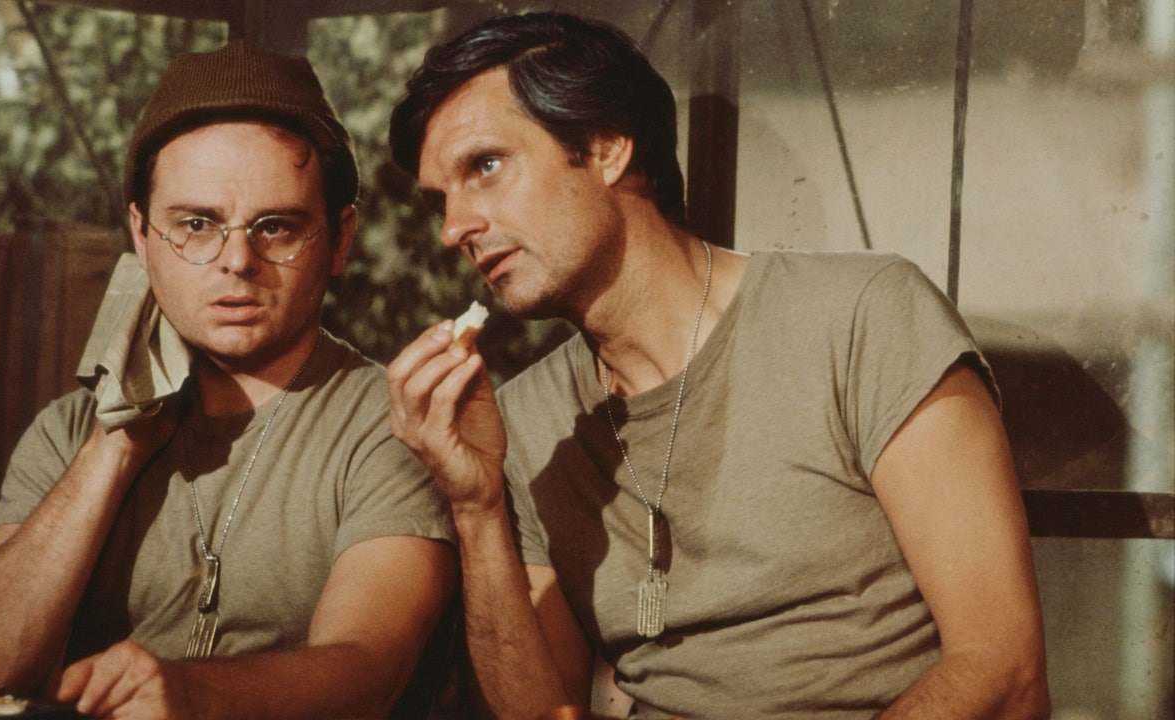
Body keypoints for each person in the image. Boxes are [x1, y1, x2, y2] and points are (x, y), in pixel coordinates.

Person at [386, 12, 1050, 720]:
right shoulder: (522, 425)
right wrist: (476, 507)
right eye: (440, 201)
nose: (454, 228)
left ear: (607, 146)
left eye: (485, 167)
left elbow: (1004, 672)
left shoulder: (863, 317)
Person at [0, 40, 457, 719]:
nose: (237, 260)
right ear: (141, 237)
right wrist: (116, 444)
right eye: (196, 225)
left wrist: (191, 693)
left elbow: (369, 670)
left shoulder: (393, 423)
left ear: (340, 238)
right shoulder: (71, 431)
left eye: (276, 227)